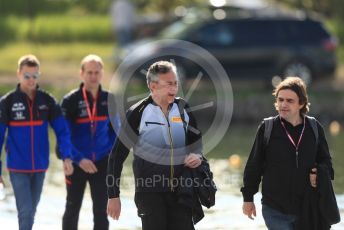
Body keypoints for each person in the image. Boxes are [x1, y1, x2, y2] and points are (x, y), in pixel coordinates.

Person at [107, 61, 203, 230]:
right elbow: (116, 156)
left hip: (182, 190)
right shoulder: (137, 113)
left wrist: (197, 155)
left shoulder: (183, 108)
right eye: (168, 84)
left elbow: (196, 142)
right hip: (149, 192)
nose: (174, 88)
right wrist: (113, 196)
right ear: (153, 86)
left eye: (175, 83)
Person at [241, 76, 334, 229]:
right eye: (280, 100)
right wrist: (248, 198)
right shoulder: (267, 128)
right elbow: (254, 165)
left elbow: (327, 164)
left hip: (309, 208)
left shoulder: (314, 128)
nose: (283, 104)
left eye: (290, 101)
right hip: (275, 210)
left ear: (301, 103)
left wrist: (318, 173)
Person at [0, 54, 73, 230]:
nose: (31, 80)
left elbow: (62, 131)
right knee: (25, 212)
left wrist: (67, 157)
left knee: (31, 212)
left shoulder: (47, 101)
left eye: (35, 76)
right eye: (27, 76)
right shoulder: (7, 102)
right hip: (17, 168)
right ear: (19, 74)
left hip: (40, 167)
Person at [61, 54, 120, 230]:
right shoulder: (70, 100)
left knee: (102, 211)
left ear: (102, 74)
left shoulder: (111, 99)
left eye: (97, 72)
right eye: (89, 72)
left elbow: (117, 133)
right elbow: (64, 136)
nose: (93, 76)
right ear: (82, 73)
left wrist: (109, 156)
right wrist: (79, 159)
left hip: (102, 163)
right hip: (77, 163)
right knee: (72, 208)